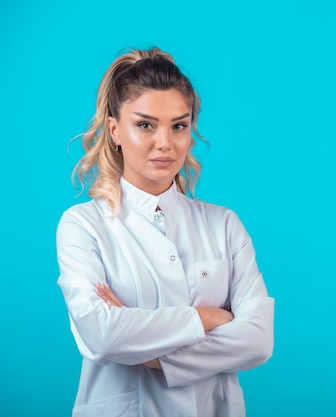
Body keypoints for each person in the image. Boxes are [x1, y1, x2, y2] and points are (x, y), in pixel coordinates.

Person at [56, 47, 274, 417]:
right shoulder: (84, 225)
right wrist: (205, 318)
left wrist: (152, 356)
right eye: (145, 125)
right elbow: (103, 334)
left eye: (179, 125)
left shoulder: (223, 225)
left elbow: (257, 340)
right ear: (115, 130)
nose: (165, 143)